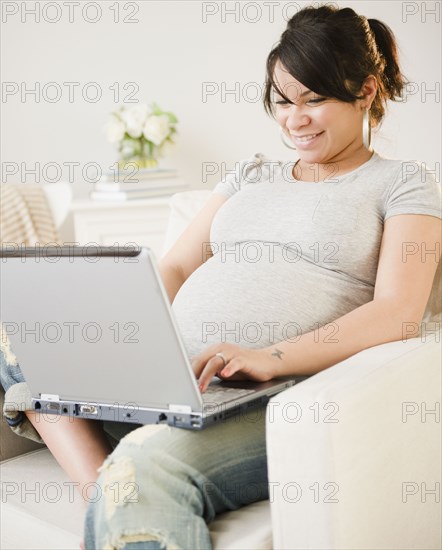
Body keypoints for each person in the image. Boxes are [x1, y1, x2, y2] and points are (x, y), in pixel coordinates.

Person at [1, 4, 440, 549]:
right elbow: (179, 264)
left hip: (267, 396)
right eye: (282, 102)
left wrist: (270, 357)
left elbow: (397, 312)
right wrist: (123, 327)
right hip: (163, 383)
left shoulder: (402, 183)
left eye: (314, 100)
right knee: (25, 330)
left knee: (145, 468)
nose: (294, 120)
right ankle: (104, 489)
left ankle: (128, 483)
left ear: (367, 91)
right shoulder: (251, 174)